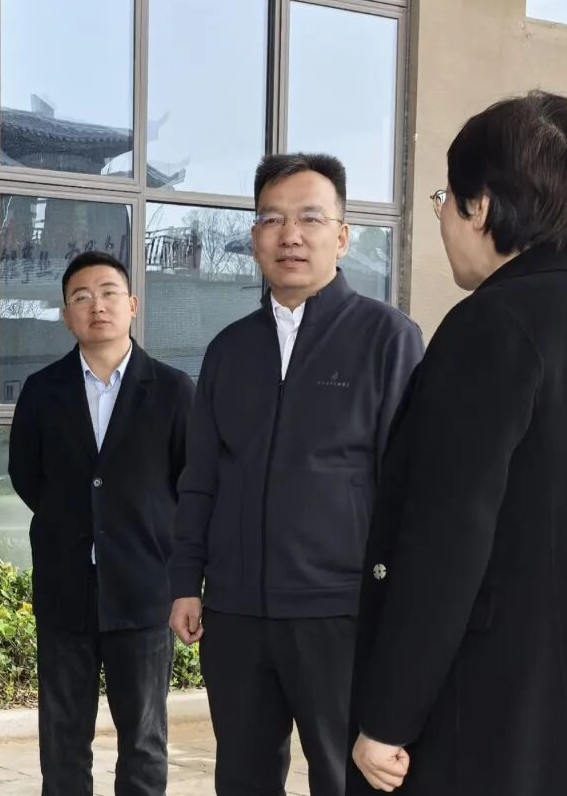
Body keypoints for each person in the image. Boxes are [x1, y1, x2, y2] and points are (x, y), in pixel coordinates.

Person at [349, 91, 567, 796]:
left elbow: (446, 540)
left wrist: (389, 716)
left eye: (444, 199)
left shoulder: (492, 326)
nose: (441, 218)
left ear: (481, 206)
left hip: (499, 707)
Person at [168, 153, 424, 795]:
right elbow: (201, 477)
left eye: (310, 218)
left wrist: (397, 607)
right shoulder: (229, 349)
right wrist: (186, 582)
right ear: (255, 237)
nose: (290, 235)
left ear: (342, 236)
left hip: (339, 614)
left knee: (346, 779)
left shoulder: (387, 339)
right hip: (237, 614)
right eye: (272, 219)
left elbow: (408, 489)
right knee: (243, 779)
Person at [8, 250, 195, 796]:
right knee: (63, 739)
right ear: (67, 314)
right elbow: (26, 475)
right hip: (65, 589)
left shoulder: (173, 389)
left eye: (109, 293)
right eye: (82, 297)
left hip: (143, 589)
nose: (97, 306)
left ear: (132, 305)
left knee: (144, 740)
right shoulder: (42, 390)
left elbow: (189, 483)